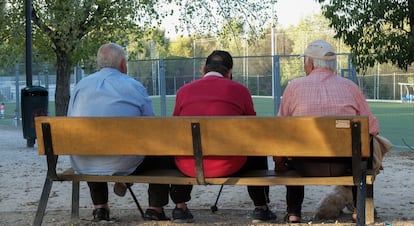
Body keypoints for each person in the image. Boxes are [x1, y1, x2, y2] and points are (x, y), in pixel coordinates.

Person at [275, 40, 380, 223]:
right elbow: (372, 128)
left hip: (303, 164)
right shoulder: (350, 87)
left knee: (291, 145)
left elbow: (280, 129)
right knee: (365, 147)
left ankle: (294, 213)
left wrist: (279, 159)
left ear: (310, 63)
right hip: (345, 164)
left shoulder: (294, 87)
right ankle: (360, 208)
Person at [171, 50, 277, 223]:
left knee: (176, 146)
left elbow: (175, 129)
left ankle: (180, 207)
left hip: (190, 166)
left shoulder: (184, 91)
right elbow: (253, 127)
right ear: (230, 72)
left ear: (203, 69)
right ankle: (261, 207)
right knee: (257, 149)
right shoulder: (241, 90)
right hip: (229, 164)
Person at [68, 43, 170, 222]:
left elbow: (70, 120)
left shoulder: (80, 86)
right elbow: (152, 127)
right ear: (123, 64)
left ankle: (100, 208)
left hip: (85, 160)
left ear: (99, 63)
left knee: (92, 143)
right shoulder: (134, 86)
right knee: (162, 151)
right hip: (125, 160)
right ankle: (155, 208)